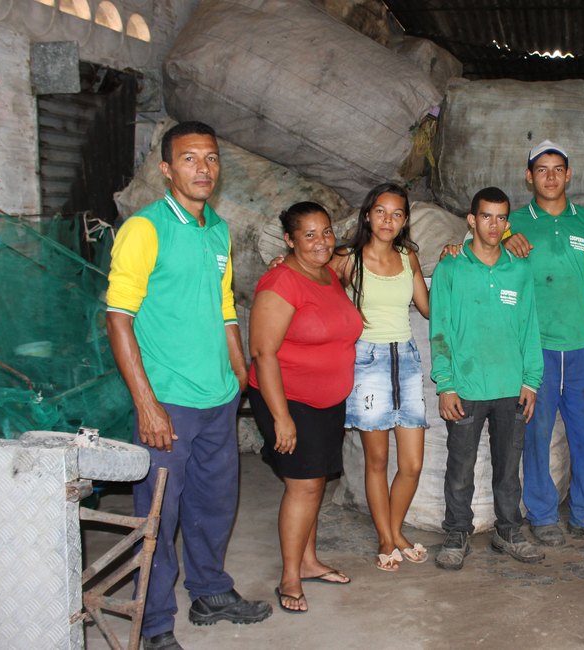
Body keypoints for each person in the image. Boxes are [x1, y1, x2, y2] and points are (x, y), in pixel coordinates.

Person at [106, 121, 271, 650]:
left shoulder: (217, 230)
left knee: (214, 503)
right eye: (190, 159)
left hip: (217, 397)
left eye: (211, 158)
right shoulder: (145, 229)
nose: (203, 168)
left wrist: (239, 372)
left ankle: (209, 592)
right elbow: (118, 318)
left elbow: (225, 309)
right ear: (166, 169)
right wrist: (148, 406)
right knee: (157, 513)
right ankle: (153, 624)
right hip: (168, 402)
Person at [503, 140, 584, 547]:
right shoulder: (512, 223)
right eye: (542, 169)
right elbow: (479, 254)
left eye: (558, 169)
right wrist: (502, 240)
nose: (551, 176)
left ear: (569, 175)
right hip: (534, 351)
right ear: (529, 176)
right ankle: (541, 515)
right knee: (535, 435)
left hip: (581, 349)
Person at [247, 202, 362, 614]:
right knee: (304, 486)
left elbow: (370, 247)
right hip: (289, 399)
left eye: (326, 232)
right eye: (309, 235)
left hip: (327, 401)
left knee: (315, 484)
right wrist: (281, 418)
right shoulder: (281, 282)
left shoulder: (328, 272)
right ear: (289, 240)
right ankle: (290, 577)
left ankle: (310, 562)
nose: (321, 241)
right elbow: (263, 353)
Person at [430, 187, 545, 570]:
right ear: (471, 220)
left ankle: (508, 531)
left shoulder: (519, 269)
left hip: (511, 388)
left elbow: (530, 328)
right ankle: (457, 532)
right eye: (486, 217)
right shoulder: (451, 267)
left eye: (500, 218)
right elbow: (441, 329)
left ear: (507, 223)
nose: (493, 226)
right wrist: (445, 384)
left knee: (508, 469)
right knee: (460, 468)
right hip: (466, 388)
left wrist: (530, 381)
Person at [331, 183, 431, 571]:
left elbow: (427, 308)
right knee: (377, 461)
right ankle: (388, 538)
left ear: (405, 220)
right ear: (368, 214)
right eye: (381, 212)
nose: (388, 220)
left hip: (405, 360)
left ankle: (394, 529)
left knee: (412, 464)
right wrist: (281, 261)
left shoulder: (408, 258)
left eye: (397, 214)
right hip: (367, 361)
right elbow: (311, 277)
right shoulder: (347, 258)